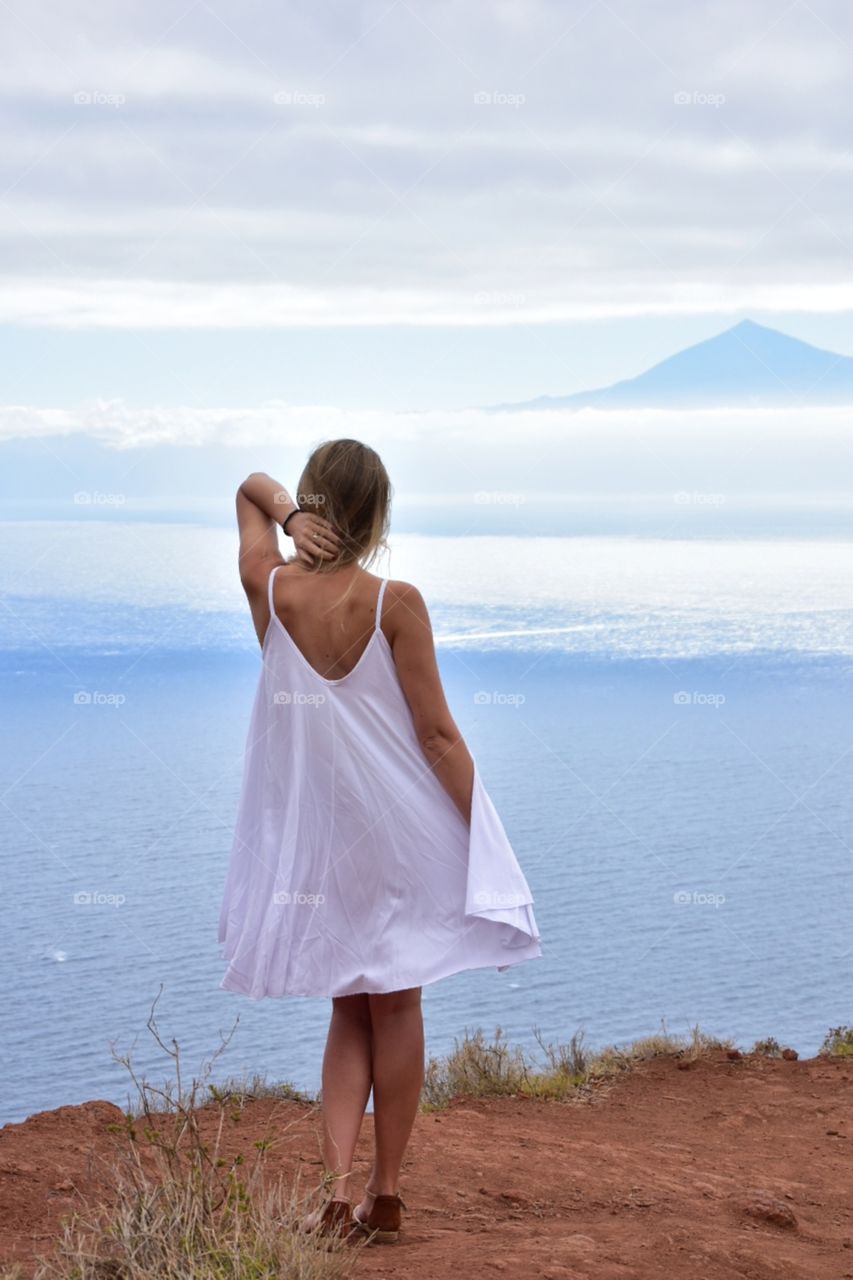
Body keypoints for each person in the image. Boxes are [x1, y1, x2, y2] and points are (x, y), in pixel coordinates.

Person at [217, 438, 542, 1244]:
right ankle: (385, 1193)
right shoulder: (396, 601)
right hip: (397, 839)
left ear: (313, 509)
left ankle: (333, 1196)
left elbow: (246, 495)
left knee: (346, 1005)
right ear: (377, 516)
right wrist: (482, 832)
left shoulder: (274, 590)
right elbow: (436, 736)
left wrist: (284, 513)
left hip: (321, 848)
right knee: (396, 1005)